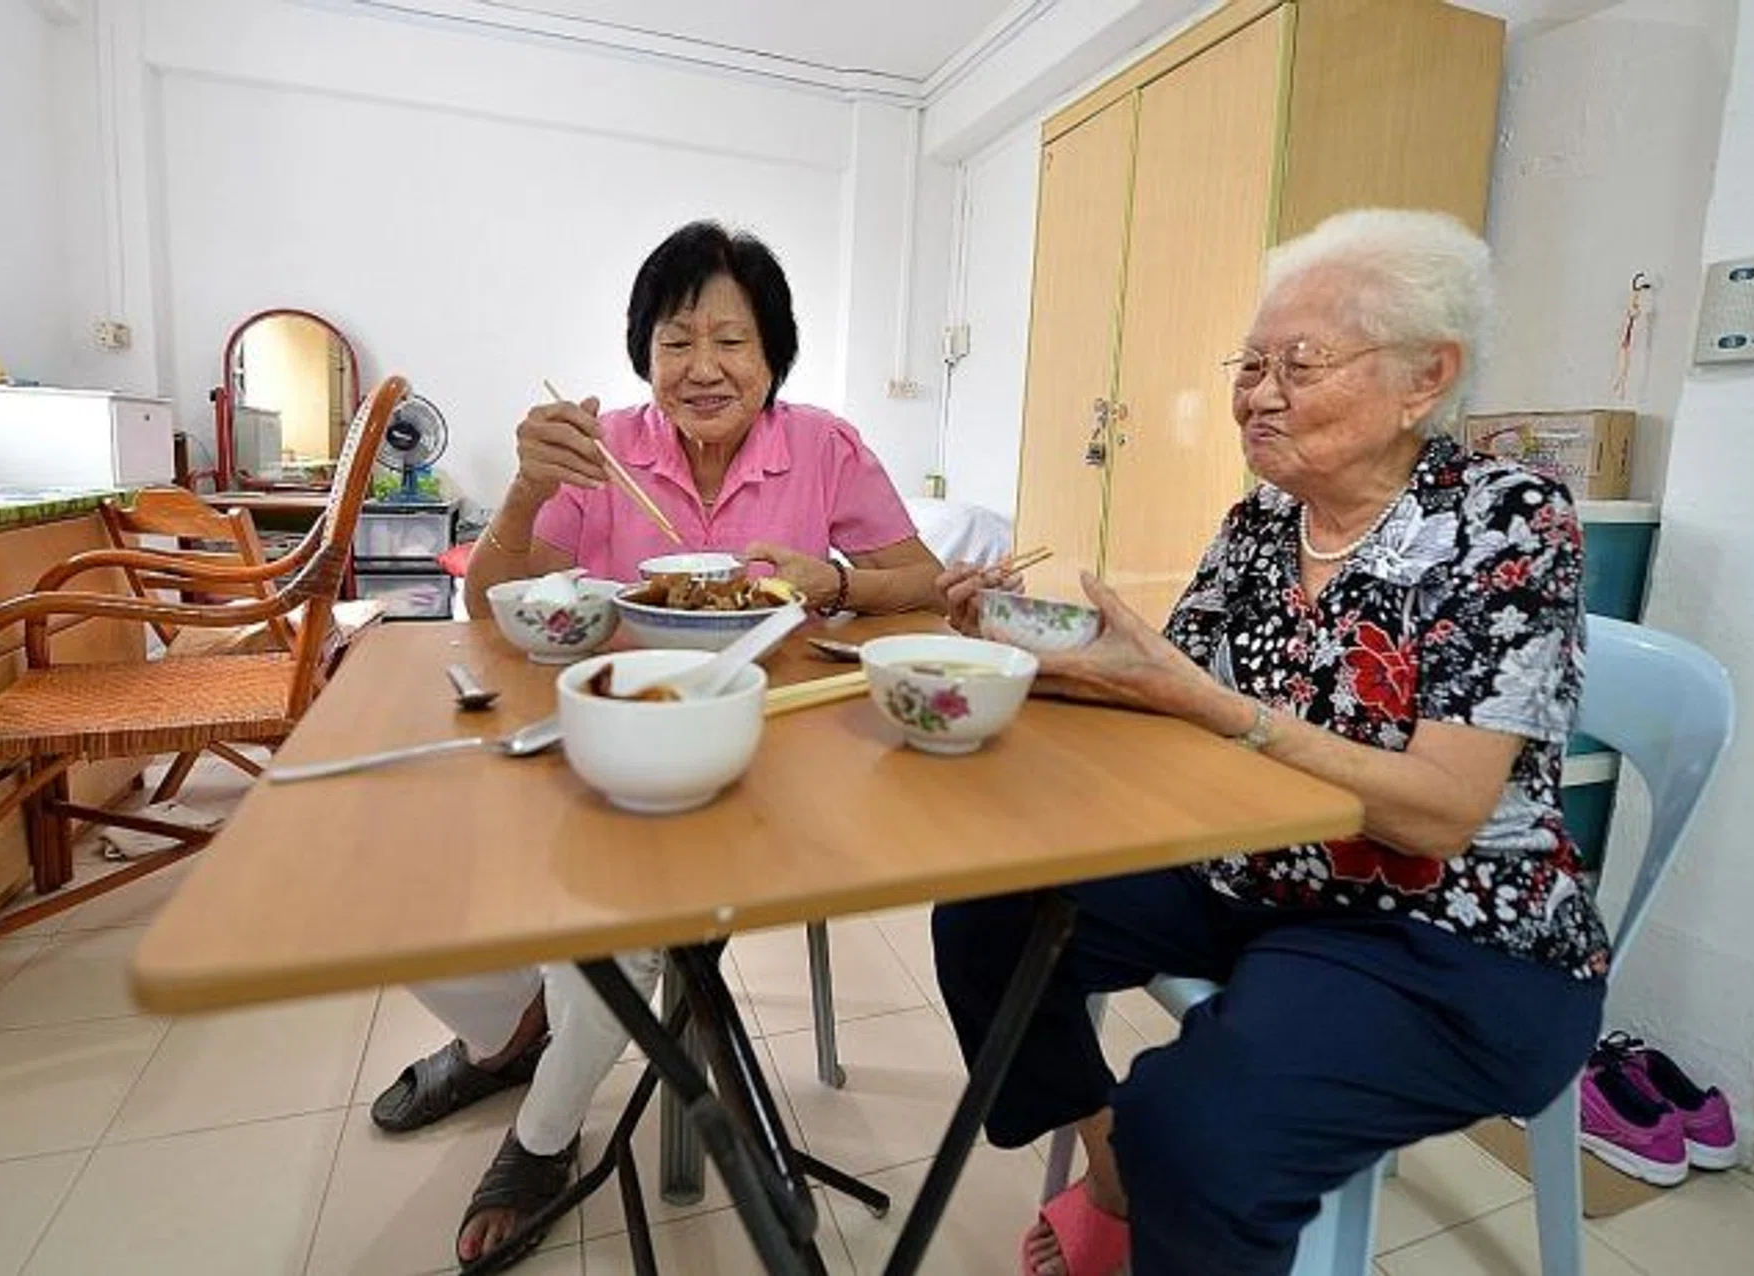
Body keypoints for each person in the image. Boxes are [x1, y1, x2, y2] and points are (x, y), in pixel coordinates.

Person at [933, 208, 1610, 1276]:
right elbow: (1169, 679)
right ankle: (1112, 1172)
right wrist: (1017, 628)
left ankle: (1152, 1177)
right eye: (1251, 362)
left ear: (1425, 379)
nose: (1257, 391)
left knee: (1199, 1129)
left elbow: (1440, 809)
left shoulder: (1508, 517)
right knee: (987, 903)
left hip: (1444, 930)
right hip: (1259, 872)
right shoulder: (1263, 520)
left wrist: (1216, 708)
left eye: (1300, 361)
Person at [377, 220, 941, 1272]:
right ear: (644, 354)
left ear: (774, 355)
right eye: (676, 341)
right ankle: (508, 1026)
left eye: (733, 341)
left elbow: (920, 582)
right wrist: (527, 490)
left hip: (769, 754)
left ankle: (542, 1131)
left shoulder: (823, 446)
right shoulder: (604, 452)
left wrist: (836, 580)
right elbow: (492, 610)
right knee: (404, 860)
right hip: (607, 730)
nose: (703, 368)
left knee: (620, 921)